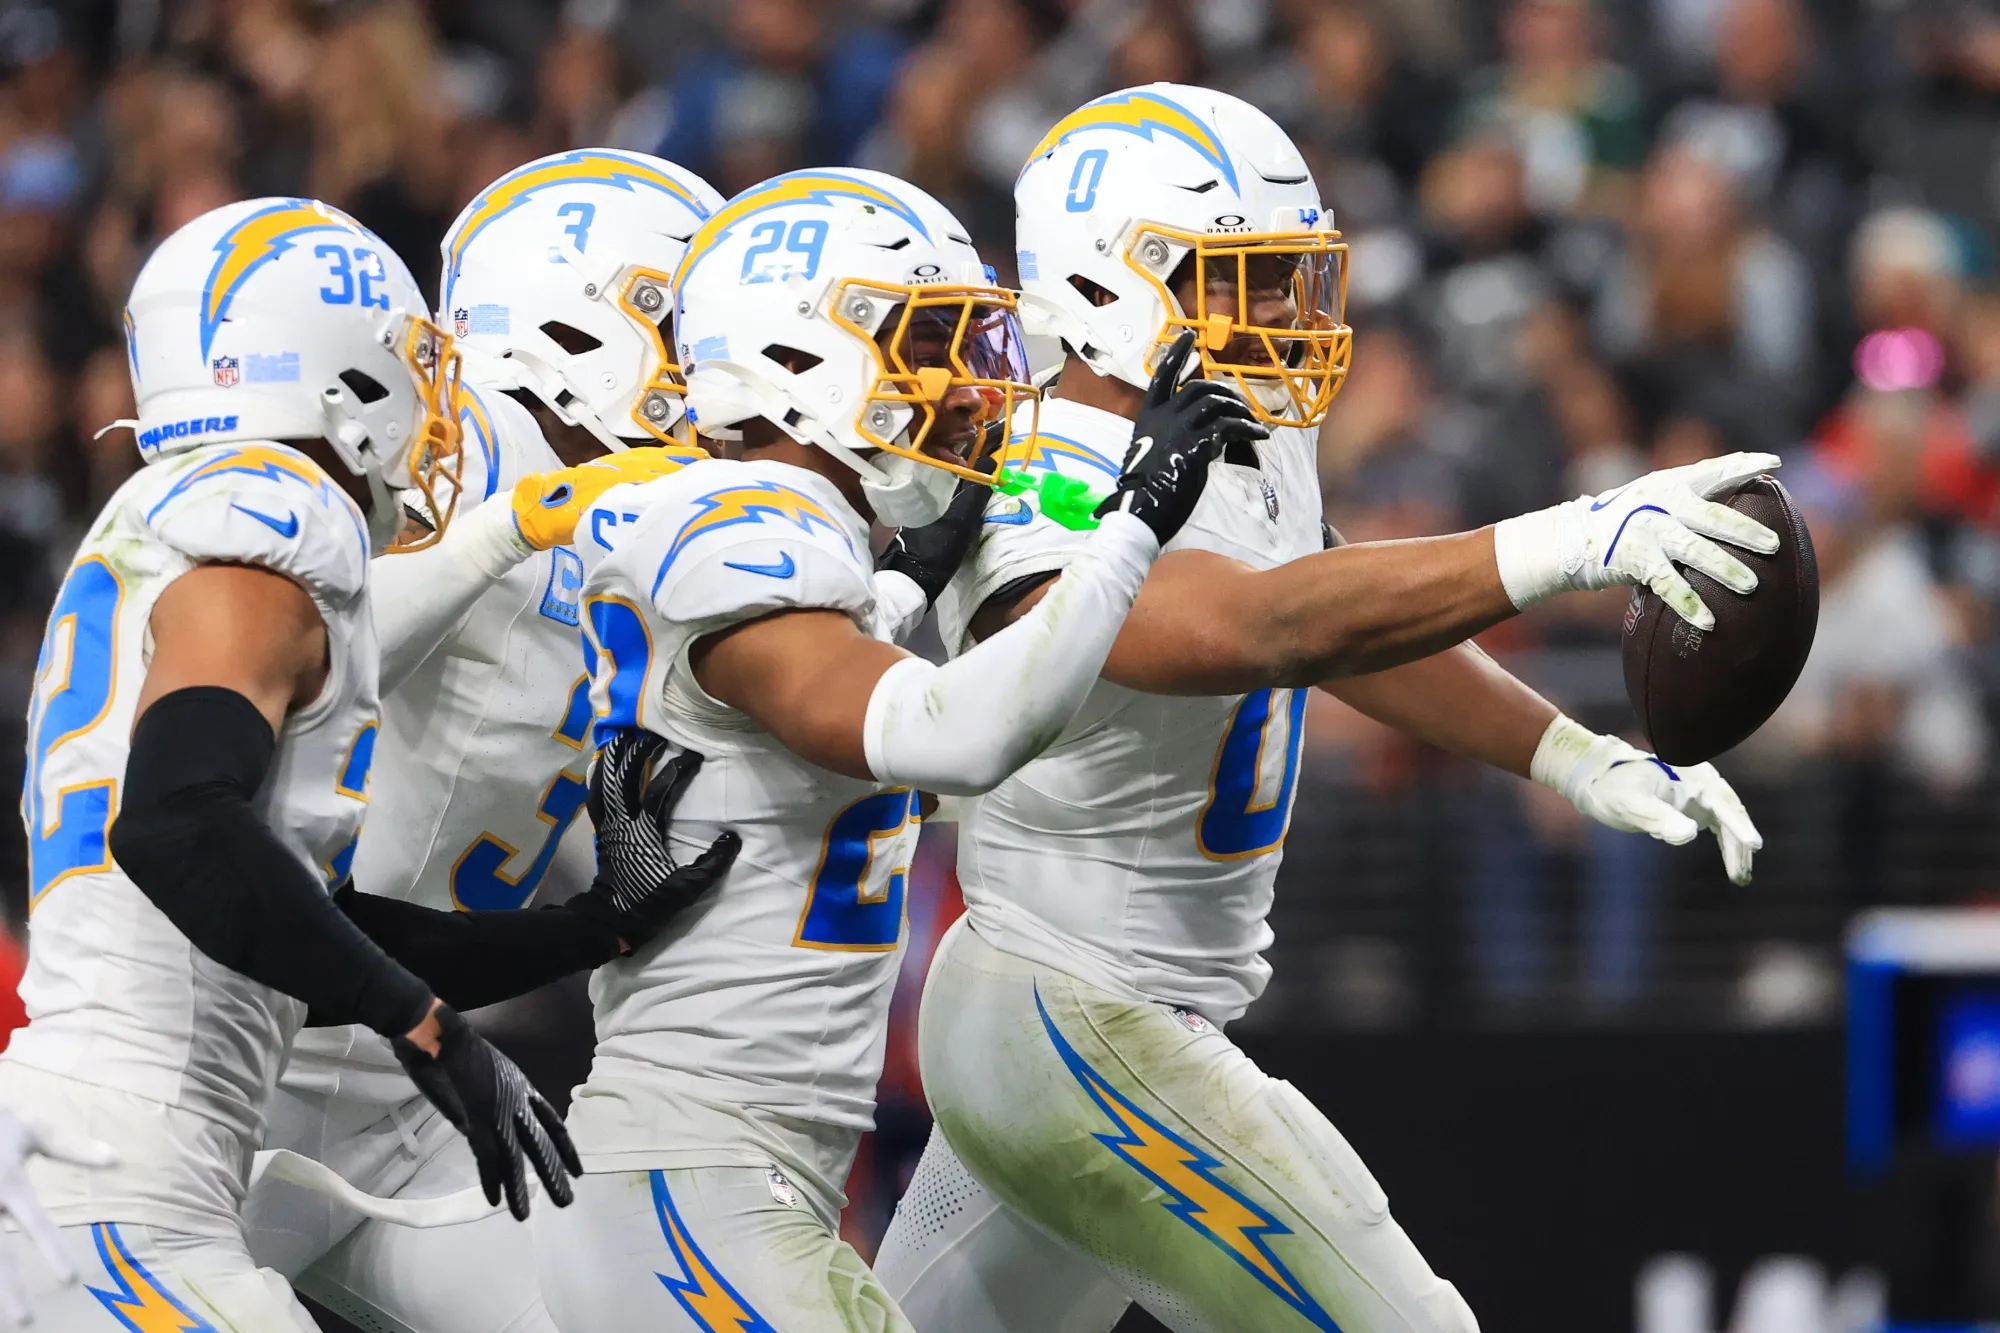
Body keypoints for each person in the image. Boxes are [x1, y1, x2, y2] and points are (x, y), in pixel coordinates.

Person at [873, 84, 1772, 1333]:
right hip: (1076, 1012)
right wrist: (1569, 539)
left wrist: (1569, 754)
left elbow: (1331, 621)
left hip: (1065, 1022)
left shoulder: (1231, 430)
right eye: (1237, 280)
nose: (1284, 315)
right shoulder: (1042, 470)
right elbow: (1247, 625)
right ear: (1104, 284)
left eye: (1289, 276)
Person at [529, 166, 1241, 1332]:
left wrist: (904, 583)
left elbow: (825, 712)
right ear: (796, 358)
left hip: (736, 1174)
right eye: (921, 345)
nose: (964, 386)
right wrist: (1129, 530)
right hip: (690, 1175)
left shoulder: (799, 545)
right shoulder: (738, 527)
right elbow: (954, 736)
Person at [0, 197, 577, 1327]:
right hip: (117, 1190)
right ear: (337, 377)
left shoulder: (168, 515)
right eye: (406, 362)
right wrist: (421, 1022)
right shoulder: (276, 509)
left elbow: (300, 922)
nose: (432, 401)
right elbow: (176, 822)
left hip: (97, 1160)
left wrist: (593, 927)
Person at [242, 150, 739, 1333]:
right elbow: (301, 648)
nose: (714, 373)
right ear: (570, 326)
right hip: (238, 1067)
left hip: (417, 1095)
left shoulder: (644, 514)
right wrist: (501, 531)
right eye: (684, 329)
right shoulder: (463, 443)